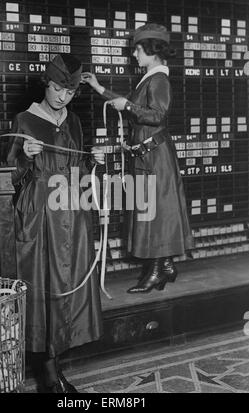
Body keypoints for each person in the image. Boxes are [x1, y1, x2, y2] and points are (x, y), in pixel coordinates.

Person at [7, 54, 104, 393]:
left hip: (72, 210)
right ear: (45, 84)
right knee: (44, 285)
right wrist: (25, 156)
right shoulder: (24, 119)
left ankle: (56, 366)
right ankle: (47, 373)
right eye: (58, 89)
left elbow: (77, 162)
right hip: (40, 214)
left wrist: (94, 158)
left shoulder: (74, 121)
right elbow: (11, 176)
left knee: (67, 284)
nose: (63, 97)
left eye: (70, 92)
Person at [82, 23, 194, 294]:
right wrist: (99, 89)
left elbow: (157, 115)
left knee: (154, 214)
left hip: (155, 158)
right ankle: (165, 266)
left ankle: (156, 272)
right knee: (154, 212)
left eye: (137, 49)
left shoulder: (159, 80)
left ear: (151, 50)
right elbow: (134, 106)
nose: (134, 54)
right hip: (149, 157)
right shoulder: (150, 78)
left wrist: (129, 106)